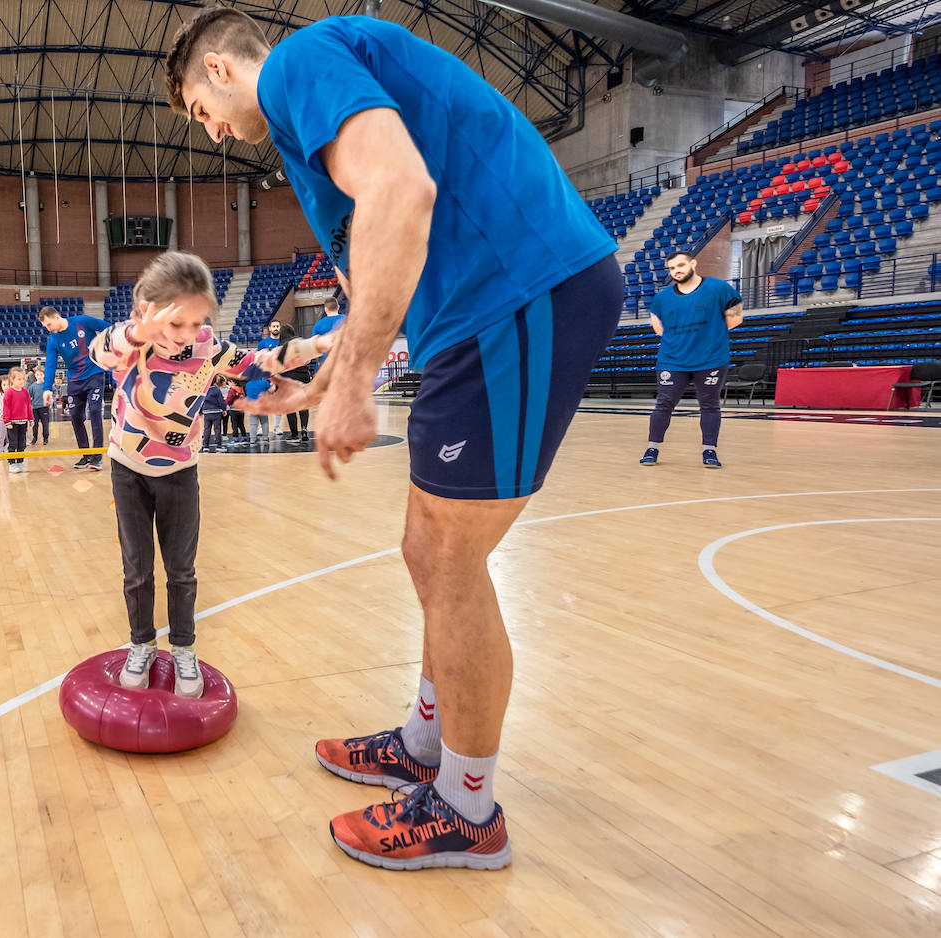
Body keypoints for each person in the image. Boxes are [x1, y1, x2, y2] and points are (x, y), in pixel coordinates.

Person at [166, 8, 620, 870]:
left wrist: (363, 375)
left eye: (200, 109)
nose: (214, 133)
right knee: (427, 549)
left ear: (221, 69)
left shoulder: (299, 65)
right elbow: (378, 260)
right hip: (472, 314)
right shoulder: (307, 138)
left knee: (451, 560)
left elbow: (403, 191)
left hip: (519, 290)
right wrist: (330, 379)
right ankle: (424, 743)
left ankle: (468, 808)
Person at [88, 251, 333, 698]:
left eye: (196, 324)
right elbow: (99, 352)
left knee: (182, 570)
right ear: (146, 311)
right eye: (175, 324)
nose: (186, 337)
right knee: (137, 570)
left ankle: (183, 648)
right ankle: (141, 643)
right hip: (128, 471)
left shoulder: (209, 348)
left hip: (181, 473)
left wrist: (318, 345)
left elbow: (264, 360)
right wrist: (138, 331)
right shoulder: (130, 344)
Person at [640, 251, 743, 469]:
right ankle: (652, 447)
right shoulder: (661, 298)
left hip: (711, 359)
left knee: (709, 404)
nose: (676, 270)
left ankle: (709, 451)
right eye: (672, 268)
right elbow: (658, 328)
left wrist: (708, 335)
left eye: (680, 265)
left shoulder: (719, 288)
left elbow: (736, 318)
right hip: (672, 360)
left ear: (693, 264)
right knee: (664, 403)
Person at [40, 305, 110, 470]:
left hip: (94, 373)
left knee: (94, 411)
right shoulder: (53, 339)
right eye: (46, 327)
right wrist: (47, 388)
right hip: (75, 380)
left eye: (49, 325)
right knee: (75, 416)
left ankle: (97, 457)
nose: (48, 329)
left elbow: (107, 328)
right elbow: (50, 364)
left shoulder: (82, 322)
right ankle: (85, 455)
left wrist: (105, 349)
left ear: (56, 317)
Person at [2, 366, 35, 472]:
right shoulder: (9, 392)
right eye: (19, 379)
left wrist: (31, 418)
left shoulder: (25, 392)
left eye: (23, 379)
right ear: (12, 380)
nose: (22, 381)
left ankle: (20, 462)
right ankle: (12, 463)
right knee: (13, 443)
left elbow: (28, 406)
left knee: (22, 443)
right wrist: (7, 421)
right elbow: (6, 408)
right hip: (12, 423)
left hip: (23, 422)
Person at [201, 376, 228, 452]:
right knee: (217, 429)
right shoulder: (217, 390)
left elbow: (201, 401)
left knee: (206, 430)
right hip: (216, 412)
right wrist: (224, 409)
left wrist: (200, 411)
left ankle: (205, 446)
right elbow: (221, 401)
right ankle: (219, 446)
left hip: (206, 412)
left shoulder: (205, 390)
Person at [29, 365, 51, 445]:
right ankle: (34, 438)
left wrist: (51, 398)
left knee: (45, 424)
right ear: (35, 375)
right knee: (35, 425)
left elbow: (54, 391)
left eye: (41, 374)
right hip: (34, 408)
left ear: (44, 375)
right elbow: (28, 396)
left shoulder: (46, 385)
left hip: (44, 407)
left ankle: (45, 438)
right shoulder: (32, 386)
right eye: (37, 374)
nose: (39, 376)